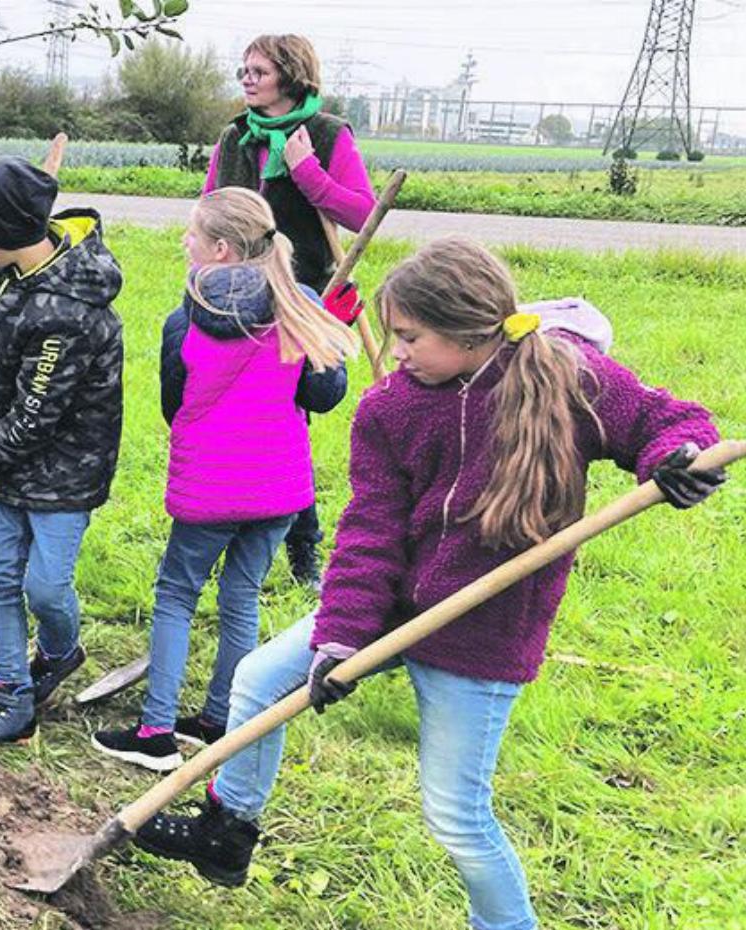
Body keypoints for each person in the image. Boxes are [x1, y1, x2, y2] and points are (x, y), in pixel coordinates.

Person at [132, 238, 726, 930]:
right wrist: (341, 639)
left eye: (412, 337)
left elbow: (668, 420)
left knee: (455, 815)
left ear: (471, 328)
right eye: (395, 335)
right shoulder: (392, 408)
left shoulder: (566, 376)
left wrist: (675, 460)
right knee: (261, 677)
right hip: (393, 605)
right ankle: (226, 831)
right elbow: (370, 530)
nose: (399, 352)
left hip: (482, 629)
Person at [91, 189, 355, 772]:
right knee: (241, 596)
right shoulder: (299, 304)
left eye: (191, 234)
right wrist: (328, 333)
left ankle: (157, 731)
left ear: (220, 248)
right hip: (279, 488)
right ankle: (219, 721)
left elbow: (172, 403)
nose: (184, 243)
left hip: (208, 488)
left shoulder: (184, 319)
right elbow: (324, 396)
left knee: (177, 595)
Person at [0, 158, 125, 745]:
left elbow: (34, 418)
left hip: (65, 474)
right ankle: (14, 695)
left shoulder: (69, 313)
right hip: (8, 463)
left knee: (44, 587)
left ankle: (62, 651)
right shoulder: (8, 274)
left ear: (2, 231)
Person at [204, 33, 376, 587]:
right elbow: (207, 213)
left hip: (301, 302)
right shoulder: (235, 137)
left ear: (291, 75)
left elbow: (361, 214)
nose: (247, 79)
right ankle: (231, 526)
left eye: (259, 70)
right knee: (242, 418)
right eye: (244, 70)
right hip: (234, 301)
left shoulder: (326, 135)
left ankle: (304, 547)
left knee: (290, 419)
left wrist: (307, 172)